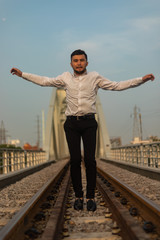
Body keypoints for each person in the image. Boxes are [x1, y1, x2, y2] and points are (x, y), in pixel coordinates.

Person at [11, 49, 155, 211]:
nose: (79, 63)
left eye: (81, 60)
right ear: (71, 63)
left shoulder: (95, 77)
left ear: (87, 62)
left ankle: (91, 197)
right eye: (75, 60)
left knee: (90, 161)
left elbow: (117, 86)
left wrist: (141, 80)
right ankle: (79, 197)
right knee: (74, 161)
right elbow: (45, 81)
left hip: (89, 123)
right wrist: (23, 74)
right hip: (71, 124)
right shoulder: (65, 78)